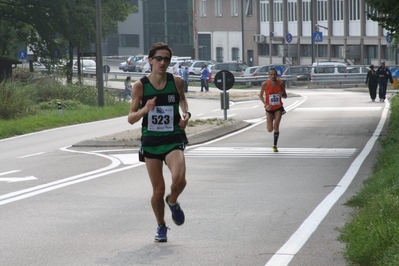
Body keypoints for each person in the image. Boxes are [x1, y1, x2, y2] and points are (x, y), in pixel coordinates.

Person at [127, 42, 191, 243]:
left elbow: (182, 99)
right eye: (159, 59)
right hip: (151, 142)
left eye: (166, 59)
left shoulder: (177, 81)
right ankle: (161, 225)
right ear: (150, 60)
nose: (162, 62)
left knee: (179, 179)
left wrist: (186, 114)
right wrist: (145, 109)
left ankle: (173, 202)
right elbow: (131, 117)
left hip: (173, 137)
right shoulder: (140, 86)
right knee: (158, 189)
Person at [259, 68, 287, 152]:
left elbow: (285, 96)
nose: (273, 76)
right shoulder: (265, 84)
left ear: (277, 75)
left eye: (274, 74)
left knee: (276, 126)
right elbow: (260, 96)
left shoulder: (281, 83)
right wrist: (266, 104)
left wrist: (282, 94)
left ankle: (274, 145)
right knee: (270, 129)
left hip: (278, 108)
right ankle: (269, 121)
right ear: (269, 75)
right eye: (271, 74)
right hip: (269, 109)